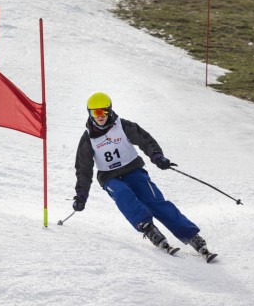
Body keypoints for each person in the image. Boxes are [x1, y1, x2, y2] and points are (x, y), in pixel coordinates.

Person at [73, 91, 215, 259]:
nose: (100, 116)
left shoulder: (123, 126)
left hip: (133, 170)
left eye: (103, 111)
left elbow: (144, 140)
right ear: (89, 114)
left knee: (154, 201)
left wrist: (157, 156)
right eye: (95, 112)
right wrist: (81, 195)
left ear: (110, 110)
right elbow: (84, 168)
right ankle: (148, 228)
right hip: (109, 177)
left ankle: (190, 235)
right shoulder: (88, 139)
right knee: (123, 193)